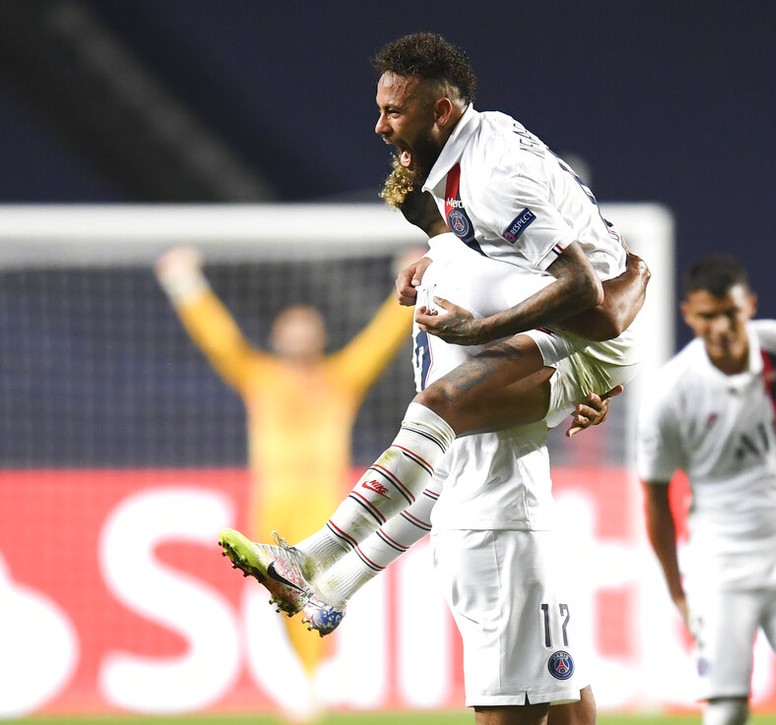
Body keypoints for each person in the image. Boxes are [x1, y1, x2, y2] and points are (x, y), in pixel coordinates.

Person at [219, 29, 646, 641]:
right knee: (451, 453)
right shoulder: (466, 163)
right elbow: (501, 253)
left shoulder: (492, 175)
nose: (380, 127)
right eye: (379, 110)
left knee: (438, 406)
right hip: (560, 326)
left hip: (587, 332)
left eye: (394, 111)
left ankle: (310, 558)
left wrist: (481, 325)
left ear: (441, 111)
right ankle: (334, 584)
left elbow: (587, 292)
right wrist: (440, 251)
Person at [155, 246, 415, 721]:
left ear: (320, 335)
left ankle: (310, 687)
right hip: (272, 505)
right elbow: (220, 341)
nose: (299, 333)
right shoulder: (259, 376)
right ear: (277, 336)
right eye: (291, 326)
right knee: (285, 596)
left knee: (313, 591)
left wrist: (407, 283)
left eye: (307, 326)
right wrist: (185, 286)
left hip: (323, 505)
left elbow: (381, 339)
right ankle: (305, 682)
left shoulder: (341, 377)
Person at [635, 254, 776, 725]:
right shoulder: (668, 394)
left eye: (730, 312)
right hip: (719, 570)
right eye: (708, 316)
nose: (721, 327)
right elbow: (654, 499)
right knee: (728, 709)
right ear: (688, 313)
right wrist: (678, 593)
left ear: (749, 305)